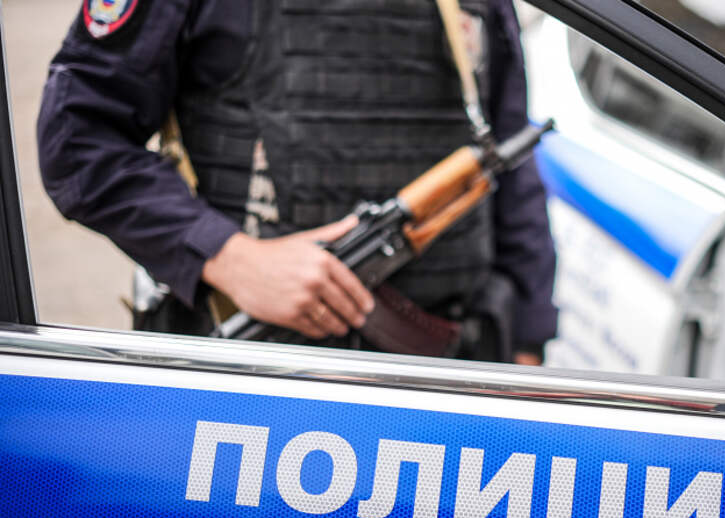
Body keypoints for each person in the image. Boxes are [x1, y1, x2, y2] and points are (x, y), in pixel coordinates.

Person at [37, 0, 557, 364]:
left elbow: (510, 165)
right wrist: (229, 257)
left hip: (456, 372)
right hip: (256, 381)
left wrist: (527, 345)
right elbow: (78, 136)